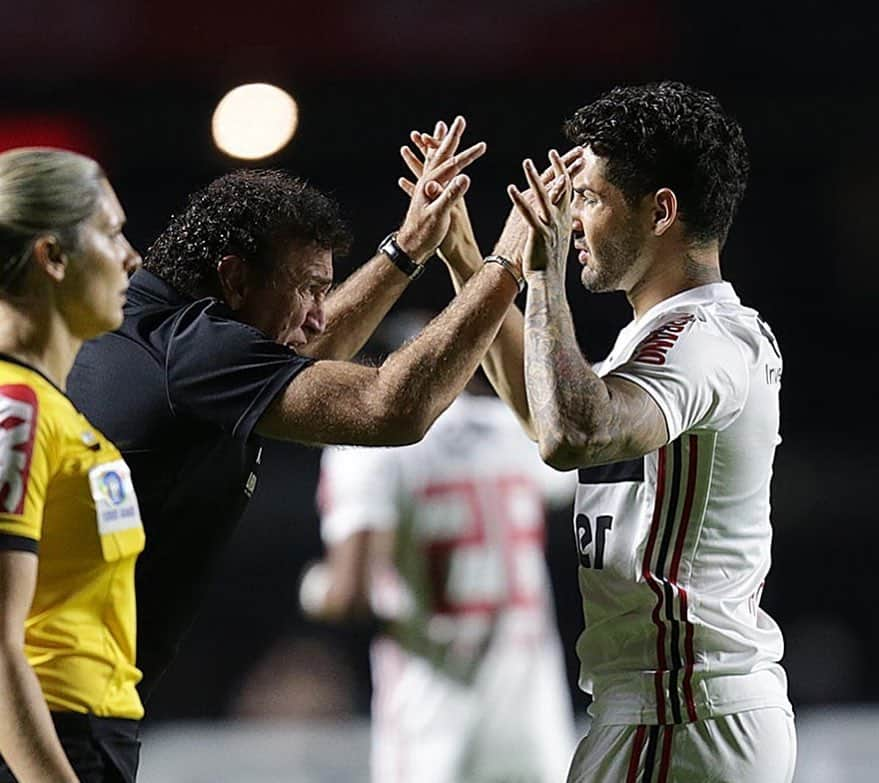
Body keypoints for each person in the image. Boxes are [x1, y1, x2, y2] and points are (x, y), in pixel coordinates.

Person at [65, 116, 528, 702]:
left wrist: (405, 252)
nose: (318, 314)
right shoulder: (195, 354)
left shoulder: (146, 327)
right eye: (308, 289)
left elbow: (300, 353)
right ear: (233, 278)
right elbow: (390, 409)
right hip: (62, 691)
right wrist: (505, 265)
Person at [419, 83, 796, 782]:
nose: (571, 217)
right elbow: (549, 414)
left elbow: (572, 435)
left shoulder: (700, 339)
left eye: (588, 197)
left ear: (660, 211)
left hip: (679, 711)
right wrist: (467, 258)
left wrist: (542, 273)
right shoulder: (666, 336)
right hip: (676, 710)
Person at [299, 311, 578, 783]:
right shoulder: (511, 431)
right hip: (533, 719)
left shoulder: (370, 450)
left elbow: (352, 594)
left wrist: (314, 589)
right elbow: (568, 473)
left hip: (433, 720)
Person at [0, 148, 144, 782]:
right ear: (52, 257)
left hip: (88, 735)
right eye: (111, 233)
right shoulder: (16, 409)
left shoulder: (51, 410)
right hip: (51, 741)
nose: (132, 256)